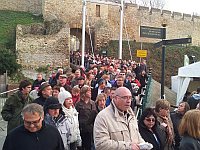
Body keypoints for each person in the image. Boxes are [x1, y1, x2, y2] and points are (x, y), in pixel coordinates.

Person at [75, 85, 97, 150]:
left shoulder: (92, 103)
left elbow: (94, 115)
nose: (90, 93)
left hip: (90, 129)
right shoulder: (78, 104)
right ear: (84, 93)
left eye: (90, 91)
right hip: (81, 128)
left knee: (89, 146)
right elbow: (76, 116)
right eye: (88, 91)